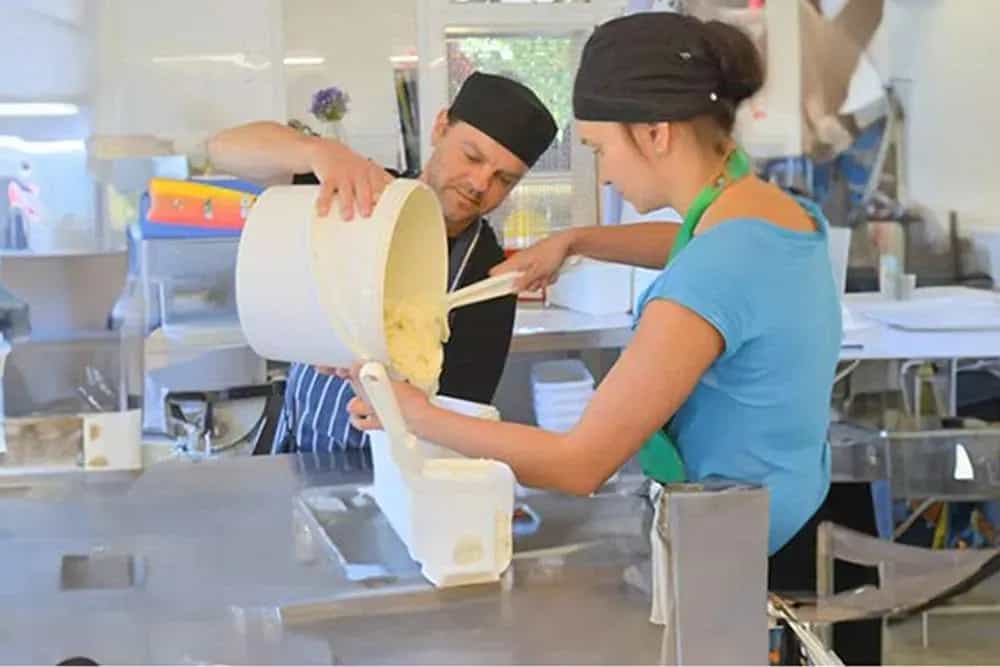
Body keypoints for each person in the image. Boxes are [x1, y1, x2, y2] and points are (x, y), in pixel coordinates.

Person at [348, 12, 841, 556]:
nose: (605, 174)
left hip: (724, 542)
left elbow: (579, 464)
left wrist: (418, 414)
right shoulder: (776, 215)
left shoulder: (712, 274)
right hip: (786, 509)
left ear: (655, 133)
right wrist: (576, 240)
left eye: (600, 149)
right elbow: (698, 245)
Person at [201, 71, 556, 453]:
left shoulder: (489, 275)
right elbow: (223, 148)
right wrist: (317, 151)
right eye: (472, 157)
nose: (480, 184)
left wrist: (394, 400)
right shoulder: (359, 190)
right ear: (440, 127)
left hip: (395, 469)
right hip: (296, 442)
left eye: (504, 178)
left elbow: (463, 418)